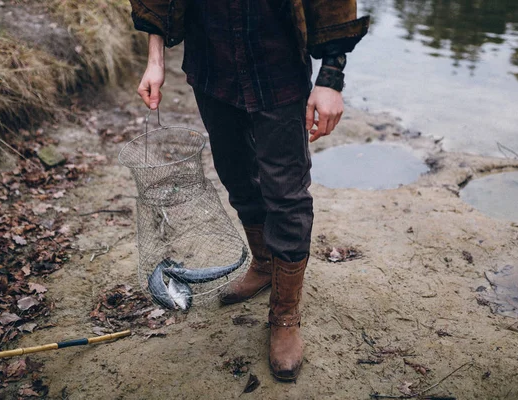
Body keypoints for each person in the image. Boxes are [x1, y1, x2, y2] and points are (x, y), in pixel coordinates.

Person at [129, 0, 369, 381]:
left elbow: (334, 6)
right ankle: (263, 263)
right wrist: (155, 60)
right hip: (212, 67)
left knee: (286, 194)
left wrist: (330, 80)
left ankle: (285, 314)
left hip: (279, 70)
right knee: (236, 175)